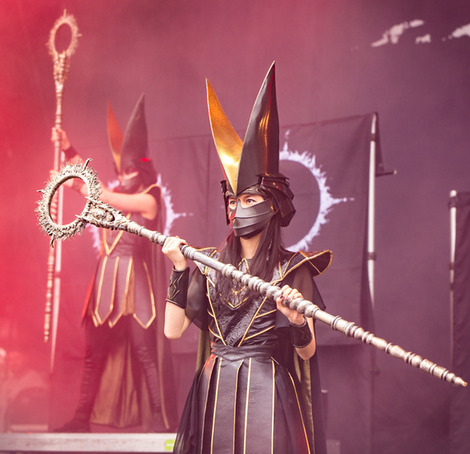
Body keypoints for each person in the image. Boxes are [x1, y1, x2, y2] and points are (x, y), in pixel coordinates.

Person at [162, 63, 329, 454]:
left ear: (271, 206)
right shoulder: (209, 264)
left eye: (250, 199)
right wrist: (179, 269)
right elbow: (172, 331)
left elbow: (307, 352)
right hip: (214, 385)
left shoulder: (292, 269)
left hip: (267, 391)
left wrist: (297, 321)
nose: (239, 209)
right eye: (233, 201)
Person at [51, 94, 173, 433]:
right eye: (122, 169)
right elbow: (95, 185)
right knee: (95, 355)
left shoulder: (150, 198)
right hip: (106, 282)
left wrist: (78, 187)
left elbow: (101, 194)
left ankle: (159, 419)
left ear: (142, 169)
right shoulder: (115, 194)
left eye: (130, 168)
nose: (124, 174)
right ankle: (81, 418)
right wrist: (68, 149)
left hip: (136, 283)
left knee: (144, 351)